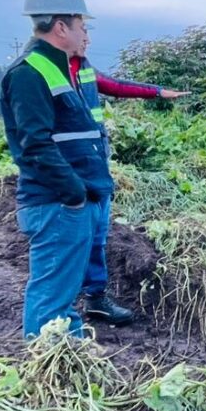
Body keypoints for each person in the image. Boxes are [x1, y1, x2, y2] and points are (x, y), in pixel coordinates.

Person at [0, 0, 111, 338]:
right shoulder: (29, 73)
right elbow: (35, 145)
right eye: (82, 25)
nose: (85, 33)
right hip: (58, 204)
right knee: (51, 298)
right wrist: (75, 195)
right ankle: (48, 373)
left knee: (61, 296)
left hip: (72, 202)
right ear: (61, 27)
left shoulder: (61, 68)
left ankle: (64, 360)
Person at [67, 31, 190, 324]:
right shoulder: (49, 73)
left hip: (96, 164)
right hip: (70, 170)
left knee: (98, 235)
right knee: (72, 240)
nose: (88, 39)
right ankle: (61, 309)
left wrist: (157, 91)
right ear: (62, 30)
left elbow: (117, 86)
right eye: (82, 30)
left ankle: (95, 299)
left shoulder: (83, 68)